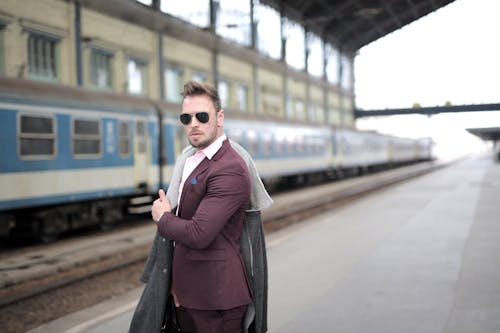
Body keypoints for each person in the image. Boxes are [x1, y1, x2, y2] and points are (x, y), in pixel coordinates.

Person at [129, 80, 272, 333]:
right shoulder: (188, 160)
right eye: (186, 117)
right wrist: (174, 286)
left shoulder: (230, 168)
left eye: (202, 116)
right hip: (187, 296)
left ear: (219, 118)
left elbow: (199, 233)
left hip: (217, 302)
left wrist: (162, 217)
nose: (193, 123)